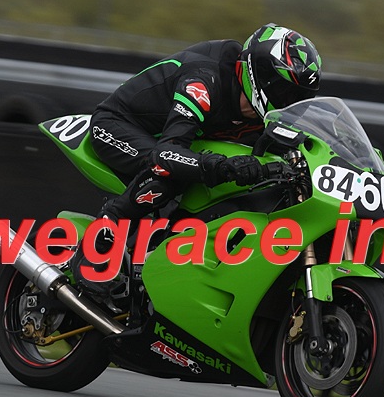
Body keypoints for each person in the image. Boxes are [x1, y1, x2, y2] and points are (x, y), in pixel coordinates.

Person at [79, 23, 323, 281]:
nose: (291, 103)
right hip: (117, 125)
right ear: (260, 74)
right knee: (171, 174)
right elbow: (166, 154)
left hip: (182, 139)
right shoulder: (204, 81)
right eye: (287, 92)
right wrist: (224, 167)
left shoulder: (264, 112)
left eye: (300, 97)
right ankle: (98, 245)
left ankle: (168, 252)